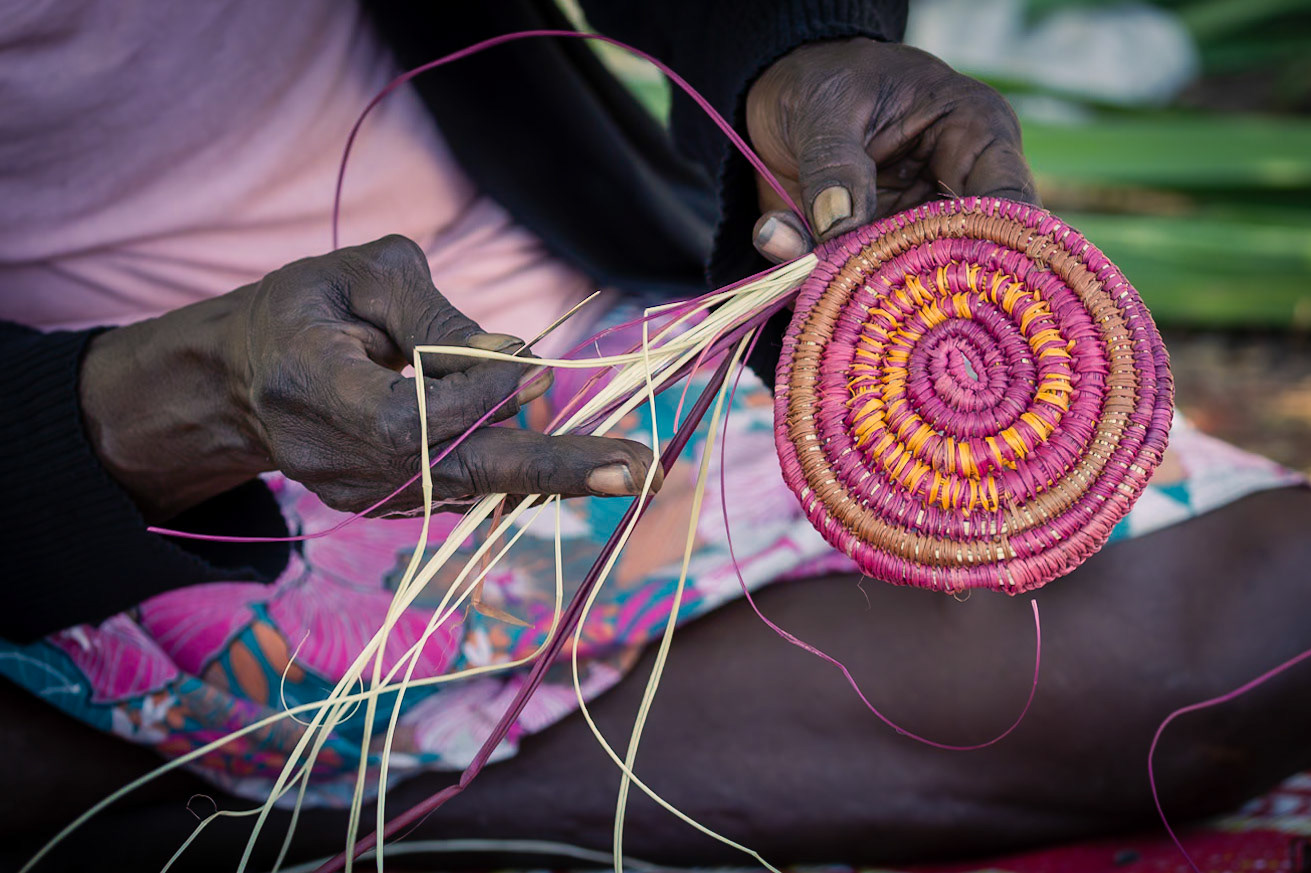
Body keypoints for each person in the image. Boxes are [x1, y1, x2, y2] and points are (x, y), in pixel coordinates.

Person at [1, 2, 1308, 871]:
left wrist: (795, 46)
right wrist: (156, 404)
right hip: (153, 498)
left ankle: (260, 827)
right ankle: (276, 811)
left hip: (607, 322)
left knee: (1270, 618)